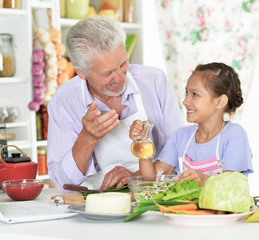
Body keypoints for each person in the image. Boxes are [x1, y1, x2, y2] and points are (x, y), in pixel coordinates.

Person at [47, 16, 183, 192]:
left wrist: (137, 179)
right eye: (108, 73)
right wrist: (87, 137)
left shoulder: (154, 81)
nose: (120, 78)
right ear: (81, 72)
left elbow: (180, 150)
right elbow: (62, 181)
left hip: (157, 196)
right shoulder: (63, 102)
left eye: (123, 63)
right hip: (98, 204)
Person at [129, 62, 253, 186]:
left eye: (195, 94)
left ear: (220, 102)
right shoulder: (181, 136)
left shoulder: (234, 135)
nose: (185, 101)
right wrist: (142, 143)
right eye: (186, 93)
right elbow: (151, 180)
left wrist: (204, 180)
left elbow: (233, 186)